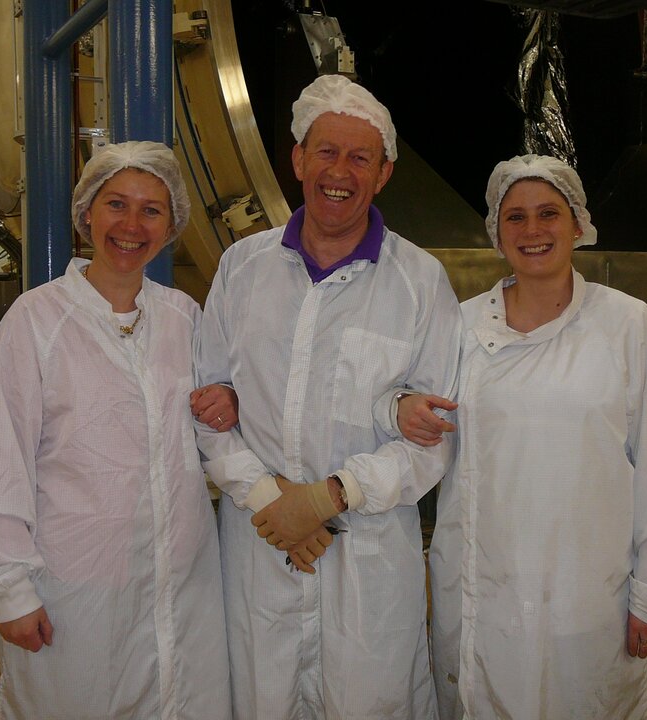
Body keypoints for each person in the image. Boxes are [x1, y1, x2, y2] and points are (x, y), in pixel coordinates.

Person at [391, 154, 647, 719]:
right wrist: (400, 407)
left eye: (548, 213)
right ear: (496, 233)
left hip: (589, 597)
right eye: (515, 217)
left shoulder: (626, 324)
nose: (533, 230)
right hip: (481, 589)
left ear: (577, 224)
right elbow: (418, 421)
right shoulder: (460, 327)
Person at [194, 73, 461, 720]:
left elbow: (433, 441)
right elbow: (205, 409)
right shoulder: (243, 270)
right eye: (326, 152)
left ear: (385, 172)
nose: (340, 171)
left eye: (360, 157)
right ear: (297, 159)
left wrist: (326, 497)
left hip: (365, 565)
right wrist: (269, 500)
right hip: (260, 550)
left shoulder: (420, 283)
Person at [0, 141, 235, 720]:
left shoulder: (184, 317)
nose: (131, 225)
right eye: (117, 204)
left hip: (181, 586)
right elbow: (2, 463)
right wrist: (9, 588)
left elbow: (214, 428)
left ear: (171, 224)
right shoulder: (36, 322)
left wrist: (228, 403)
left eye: (151, 210)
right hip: (76, 592)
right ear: (87, 212)